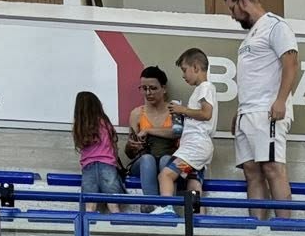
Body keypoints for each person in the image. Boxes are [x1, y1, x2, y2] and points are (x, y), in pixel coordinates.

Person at [223, 0, 299, 213]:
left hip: (267, 111)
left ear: (243, 1)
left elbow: (291, 63)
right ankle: (256, 228)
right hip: (248, 112)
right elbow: (253, 77)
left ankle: (284, 227)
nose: (232, 16)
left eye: (232, 8)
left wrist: (280, 100)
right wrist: (240, 111)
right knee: (251, 171)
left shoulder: (276, 26)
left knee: (272, 168)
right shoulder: (250, 36)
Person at [161, 49, 217, 199]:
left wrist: (183, 110)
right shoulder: (203, 89)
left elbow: (206, 114)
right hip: (197, 154)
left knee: (166, 175)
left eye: (184, 70)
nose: (183, 75)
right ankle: (196, 213)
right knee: (193, 184)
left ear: (196, 67)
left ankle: (167, 208)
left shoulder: (205, 87)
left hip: (194, 149)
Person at [125, 66, 179, 201]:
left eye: (153, 88)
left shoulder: (174, 110)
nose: (148, 93)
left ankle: (167, 206)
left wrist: (148, 130)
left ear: (164, 88)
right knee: (147, 160)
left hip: (169, 159)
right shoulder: (137, 114)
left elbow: (178, 133)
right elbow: (129, 154)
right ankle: (151, 205)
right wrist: (131, 146)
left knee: (166, 160)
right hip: (144, 162)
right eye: (144, 88)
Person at [72, 91, 122, 210]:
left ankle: (88, 221)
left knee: (89, 204)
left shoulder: (79, 127)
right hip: (107, 165)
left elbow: (80, 145)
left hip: (88, 167)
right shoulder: (105, 123)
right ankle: (117, 220)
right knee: (113, 203)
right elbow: (114, 146)